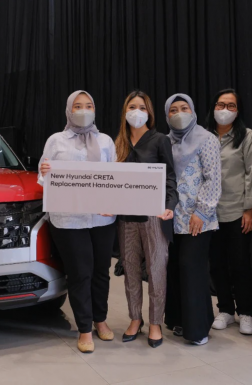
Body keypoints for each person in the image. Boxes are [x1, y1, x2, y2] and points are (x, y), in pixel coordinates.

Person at [38, 90, 117, 354]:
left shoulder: (105, 141)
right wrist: (45, 172)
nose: (83, 110)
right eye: (78, 106)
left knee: (101, 271)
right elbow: (43, 179)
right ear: (69, 110)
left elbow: (115, 177)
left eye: (89, 105)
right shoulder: (56, 140)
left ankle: (100, 319)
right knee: (80, 273)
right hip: (68, 219)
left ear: (95, 110)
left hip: (102, 218)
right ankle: (84, 328)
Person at [115, 90, 178, 348]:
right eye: (132, 107)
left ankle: (155, 322)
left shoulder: (160, 140)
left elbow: (171, 177)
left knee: (156, 269)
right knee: (130, 269)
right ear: (124, 111)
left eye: (142, 107)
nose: (137, 112)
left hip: (154, 215)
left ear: (149, 113)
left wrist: (170, 206)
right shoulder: (118, 143)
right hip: (126, 217)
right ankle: (135, 318)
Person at [164, 93, 221, 346]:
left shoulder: (206, 139)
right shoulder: (165, 141)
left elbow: (213, 179)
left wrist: (202, 212)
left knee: (192, 268)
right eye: (173, 110)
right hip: (171, 217)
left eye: (184, 108)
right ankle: (179, 319)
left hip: (198, 218)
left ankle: (198, 328)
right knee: (175, 267)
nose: (179, 114)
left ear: (193, 111)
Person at [203, 89, 252, 335]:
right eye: (220, 104)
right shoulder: (204, 137)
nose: (224, 110)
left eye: (231, 106)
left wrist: (250, 209)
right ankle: (225, 309)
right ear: (213, 107)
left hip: (238, 211)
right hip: (210, 213)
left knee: (240, 264)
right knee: (216, 264)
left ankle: (245, 312)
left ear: (238, 111)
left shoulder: (247, 137)